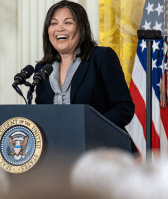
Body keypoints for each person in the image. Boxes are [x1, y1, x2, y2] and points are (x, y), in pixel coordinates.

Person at [35, 0, 134, 130]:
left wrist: (93, 129)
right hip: (58, 146)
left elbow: (124, 107)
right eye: (54, 23)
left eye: (68, 22)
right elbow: (41, 113)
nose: (59, 28)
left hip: (100, 144)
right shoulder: (43, 69)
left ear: (82, 28)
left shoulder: (101, 57)